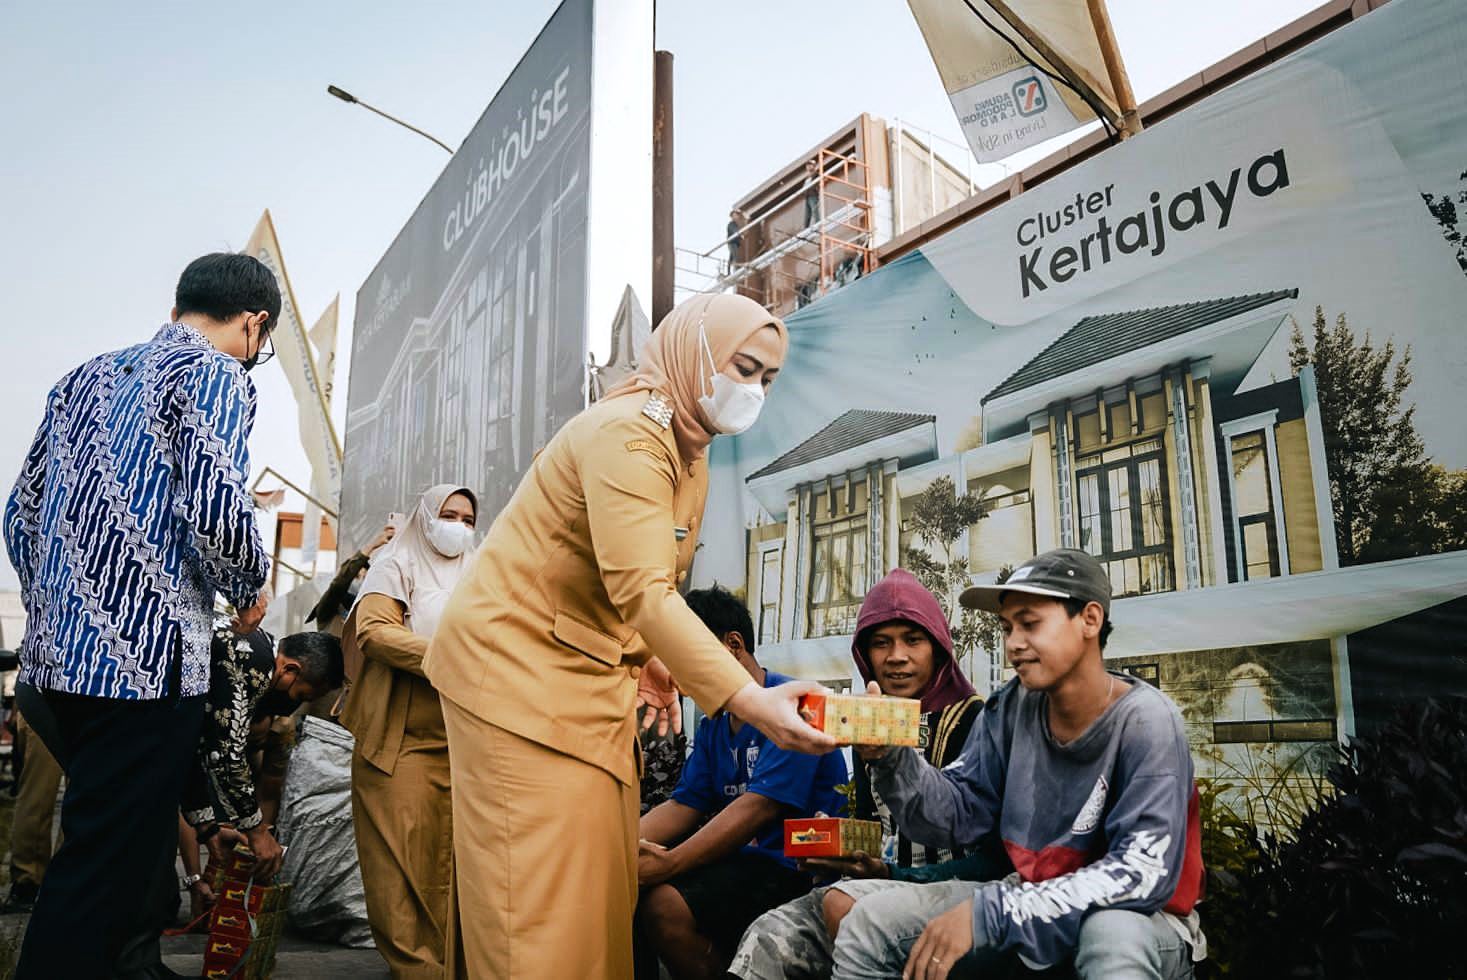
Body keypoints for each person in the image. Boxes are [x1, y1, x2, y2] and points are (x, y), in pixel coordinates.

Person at [424, 292, 835, 978]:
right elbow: (642, 588)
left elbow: (642, 580)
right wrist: (747, 698)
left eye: (767, 378)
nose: (753, 390)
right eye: (743, 366)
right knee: (536, 905)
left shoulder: (686, 447)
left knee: (597, 895)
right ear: (694, 352)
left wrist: (645, 657)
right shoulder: (630, 435)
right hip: (515, 679)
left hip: (575, 682)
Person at [3, 251, 275, 979]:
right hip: (142, 670)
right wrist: (250, 583)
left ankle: (133, 966)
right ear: (254, 324)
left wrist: (59, 608)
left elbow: (19, 517)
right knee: (98, 866)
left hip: (55, 666)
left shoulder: (83, 377)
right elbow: (217, 507)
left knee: (128, 850)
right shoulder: (216, 374)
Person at [828, 549, 1205, 980]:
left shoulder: (1147, 721)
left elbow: (1138, 873)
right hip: (1026, 898)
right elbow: (957, 812)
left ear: (1090, 620)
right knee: (868, 925)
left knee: (1110, 933)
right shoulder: (1011, 708)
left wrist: (991, 913)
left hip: (1143, 916)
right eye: (1007, 628)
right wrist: (890, 755)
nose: (1013, 644)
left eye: (1030, 624)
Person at [728, 568, 994, 980]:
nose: (896, 656)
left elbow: (994, 861)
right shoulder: (867, 720)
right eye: (880, 643)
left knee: (851, 912)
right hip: (866, 887)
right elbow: (877, 833)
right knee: (767, 938)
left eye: (913, 639)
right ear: (864, 654)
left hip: (952, 900)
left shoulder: (979, 722)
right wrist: (835, 850)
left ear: (939, 648)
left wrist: (892, 875)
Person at [636, 586, 849, 979]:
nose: (677, 677)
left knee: (662, 905)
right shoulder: (715, 721)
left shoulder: (793, 705)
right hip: (744, 866)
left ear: (733, 644)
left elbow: (758, 807)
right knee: (627, 892)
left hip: (796, 869)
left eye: (686, 656)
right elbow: (685, 804)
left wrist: (668, 864)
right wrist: (615, 851)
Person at [341, 484, 477, 979]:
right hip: (399, 744)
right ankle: (418, 971)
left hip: (463, 745)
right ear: (424, 516)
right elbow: (374, 632)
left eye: (467, 517)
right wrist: (450, 659)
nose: (459, 526)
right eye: (448, 514)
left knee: (455, 872)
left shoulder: (480, 573)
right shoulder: (394, 565)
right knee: (399, 872)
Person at [1, 707, 62, 914]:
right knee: (84, 795)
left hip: (45, 693)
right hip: (93, 694)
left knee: (36, 791)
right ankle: (65, 880)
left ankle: (27, 882)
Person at [306, 520, 397, 637]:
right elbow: (339, 584)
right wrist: (373, 545)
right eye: (357, 576)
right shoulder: (329, 607)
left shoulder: (367, 611)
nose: (361, 581)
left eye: (365, 577)